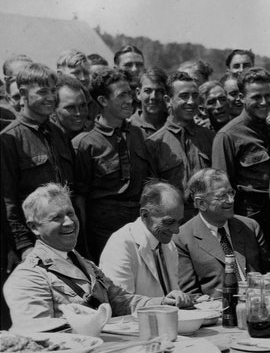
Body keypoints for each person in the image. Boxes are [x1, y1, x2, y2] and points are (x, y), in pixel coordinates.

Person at [3, 183, 164, 328]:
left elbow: (120, 301)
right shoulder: (29, 276)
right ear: (34, 227)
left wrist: (161, 303)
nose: (68, 222)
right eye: (56, 218)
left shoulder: (85, 265)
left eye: (70, 213)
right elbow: (39, 337)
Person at [72, 68, 157, 261]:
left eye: (130, 93)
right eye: (122, 95)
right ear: (103, 101)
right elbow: (80, 199)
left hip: (138, 225)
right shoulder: (85, 144)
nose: (130, 100)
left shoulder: (139, 135)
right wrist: (84, 243)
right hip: (103, 232)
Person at [1, 63, 74, 260]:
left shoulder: (58, 133)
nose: (50, 97)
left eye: (53, 91)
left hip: (66, 236)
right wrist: (23, 246)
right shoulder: (10, 139)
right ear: (23, 93)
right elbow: (8, 201)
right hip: (35, 242)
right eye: (42, 92)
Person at [212, 67, 270, 252]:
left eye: (268, 95)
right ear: (241, 97)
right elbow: (221, 190)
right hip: (247, 220)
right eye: (256, 97)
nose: (264, 102)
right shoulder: (228, 136)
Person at [175, 169, 270, 297]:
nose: (231, 200)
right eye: (222, 196)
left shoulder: (250, 227)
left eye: (231, 193)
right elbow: (189, 294)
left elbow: (269, 274)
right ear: (201, 203)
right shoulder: (183, 239)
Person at [99, 181, 191, 307]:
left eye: (179, 222)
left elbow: (170, 296)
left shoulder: (168, 245)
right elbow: (120, 304)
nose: (176, 230)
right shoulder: (121, 244)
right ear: (145, 215)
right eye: (169, 222)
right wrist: (162, 303)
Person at [147, 72, 215, 220]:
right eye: (184, 96)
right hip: (173, 223)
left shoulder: (210, 138)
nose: (191, 102)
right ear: (168, 100)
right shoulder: (154, 144)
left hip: (208, 220)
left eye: (195, 96)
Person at [129, 67, 169, 139]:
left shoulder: (175, 124)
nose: (153, 97)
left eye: (159, 91)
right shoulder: (128, 128)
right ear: (138, 93)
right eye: (148, 91)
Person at [50, 75, 89, 143]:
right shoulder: (47, 140)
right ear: (54, 109)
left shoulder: (94, 136)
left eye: (82, 106)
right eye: (71, 108)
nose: (78, 113)